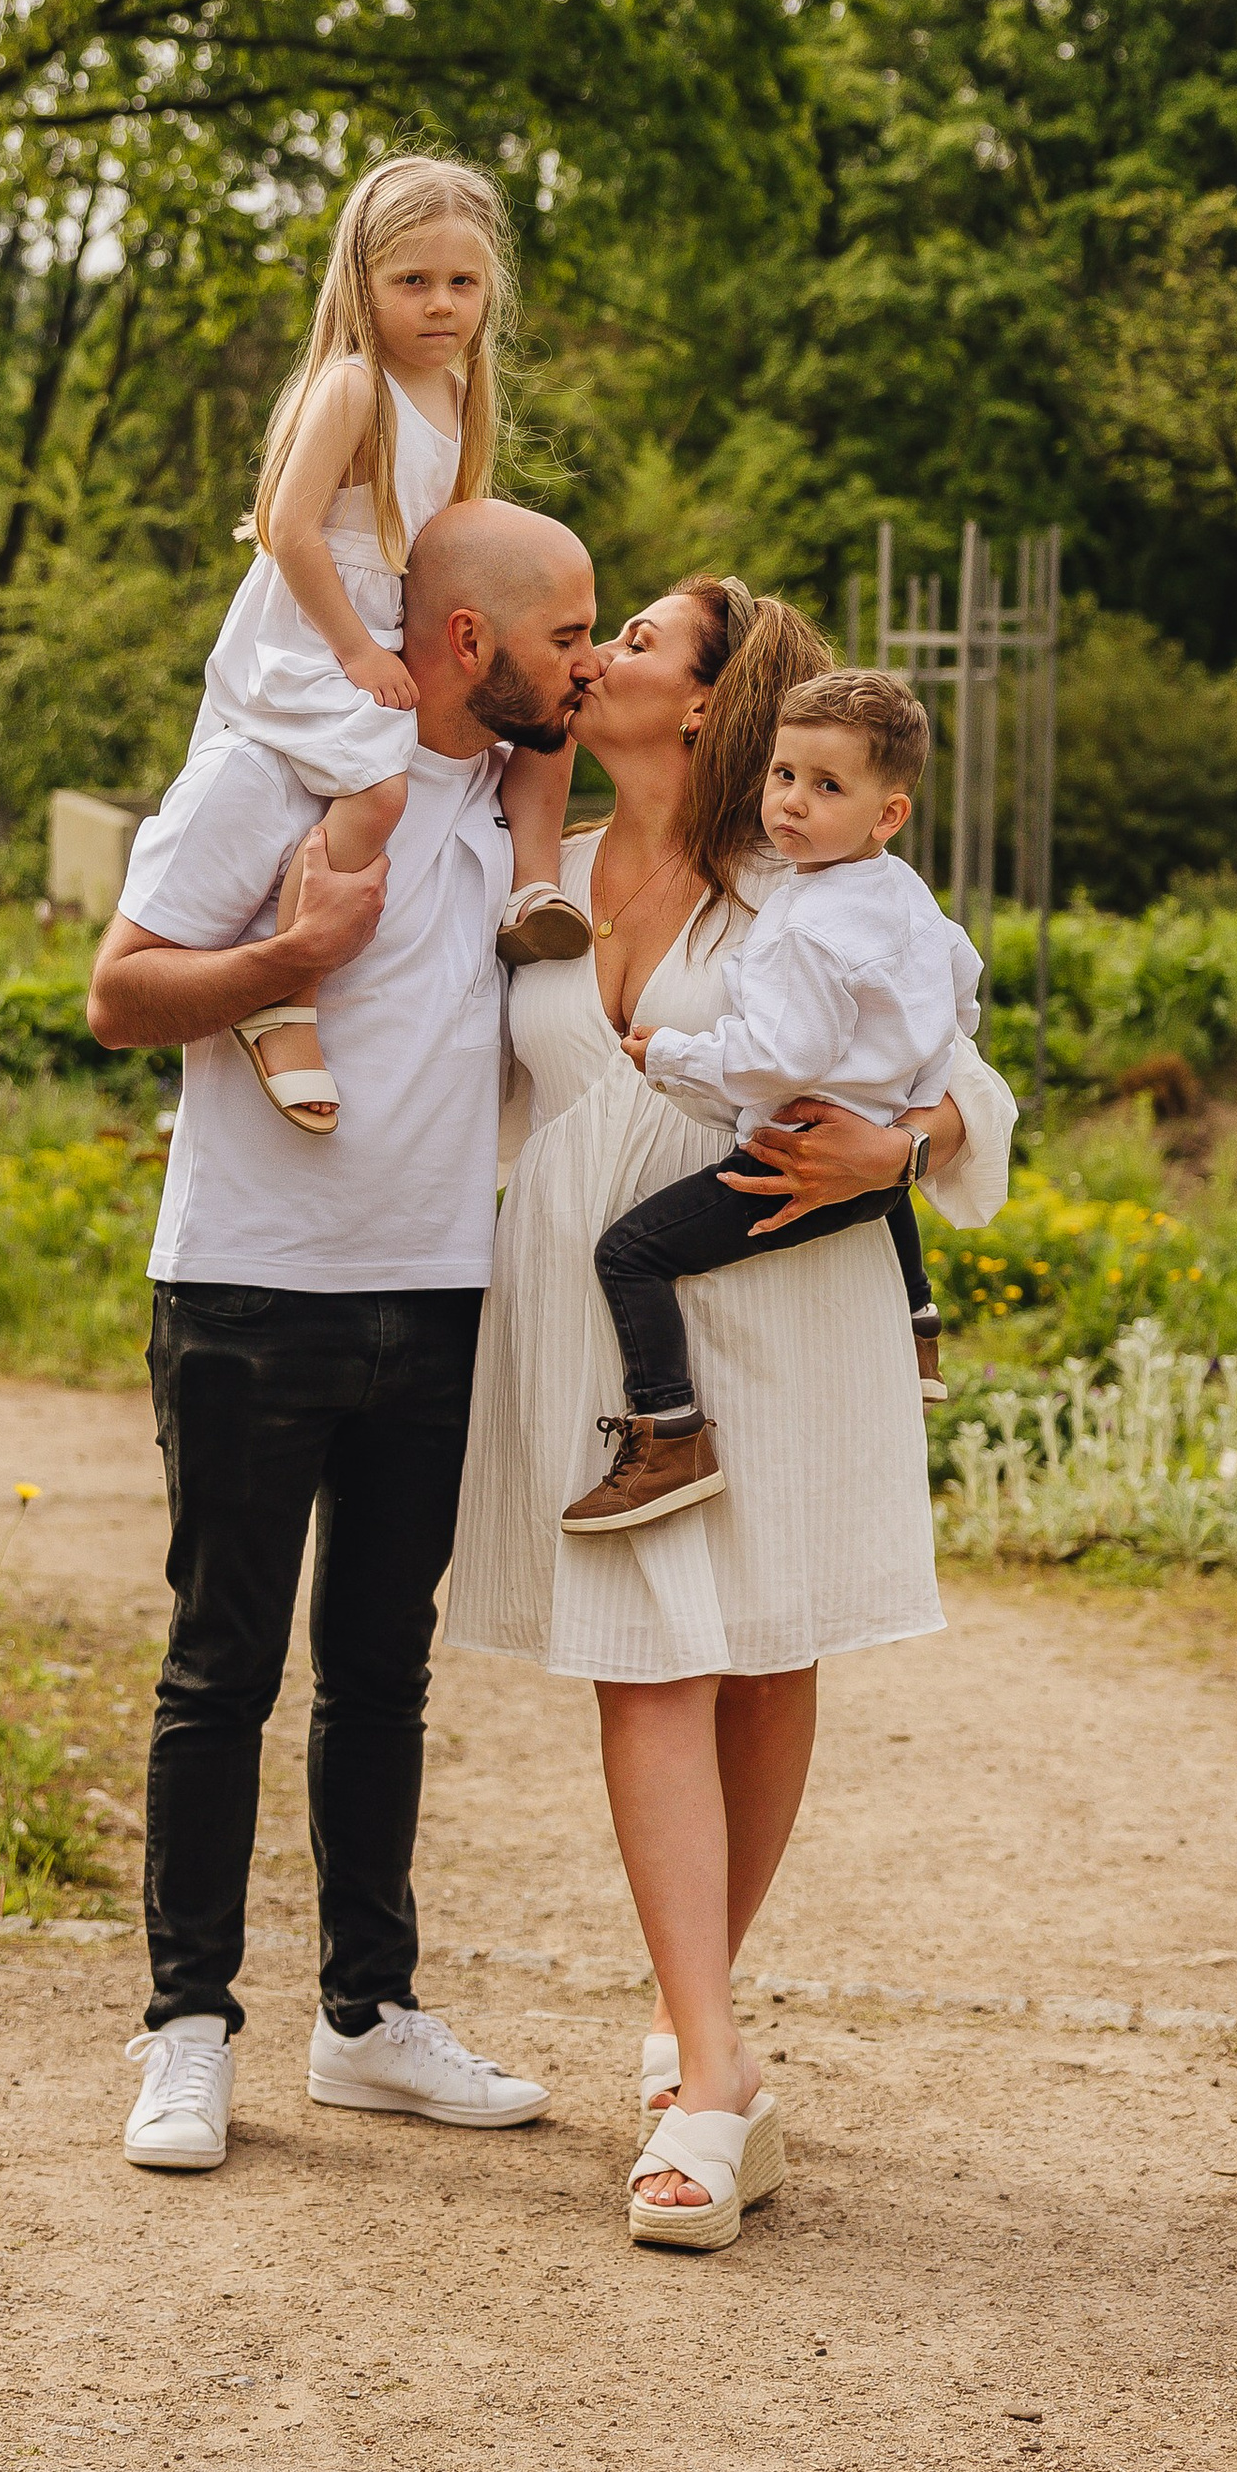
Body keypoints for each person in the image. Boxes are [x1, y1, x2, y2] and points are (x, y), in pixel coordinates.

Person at [442, 579, 1018, 2254]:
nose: (597, 654)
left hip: (777, 1289)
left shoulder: (805, 875)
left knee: (763, 1656)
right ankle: (713, 2075)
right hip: (597, 1307)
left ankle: (696, 2024)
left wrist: (903, 1145)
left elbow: (966, 1074)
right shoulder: (529, 869)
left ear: (704, 704)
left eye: (634, 639)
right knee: (647, 1660)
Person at [86, 499, 606, 2176]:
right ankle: (186, 2030)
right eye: (568, 636)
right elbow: (118, 994)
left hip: (440, 1293)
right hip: (248, 1289)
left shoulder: (523, 809)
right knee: (221, 1670)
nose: (587, 667)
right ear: (468, 640)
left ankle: (367, 2021)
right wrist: (296, 956)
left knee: (383, 1674)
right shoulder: (277, 773)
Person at [192, 154, 587, 1136]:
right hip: (309, 631)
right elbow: (289, 531)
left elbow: (443, 545)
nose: (441, 304)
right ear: (362, 283)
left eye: (463, 282)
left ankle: (528, 893)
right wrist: (360, 657)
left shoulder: (454, 391)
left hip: (389, 626)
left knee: (534, 727)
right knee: (377, 787)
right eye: (413, 281)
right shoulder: (353, 387)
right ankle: (284, 996)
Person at [564, 667, 977, 1535]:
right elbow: (961, 981)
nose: (791, 801)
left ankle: (669, 1432)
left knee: (630, 1255)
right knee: (882, 1169)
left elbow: (777, 1061)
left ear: (888, 813)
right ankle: (917, 1321)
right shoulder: (900, 890)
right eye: (784, 774)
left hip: (788, 1159)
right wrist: (907, 1088)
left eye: (827, 787)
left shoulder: (805, 925)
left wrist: (670, 1055)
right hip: (872, 1155)